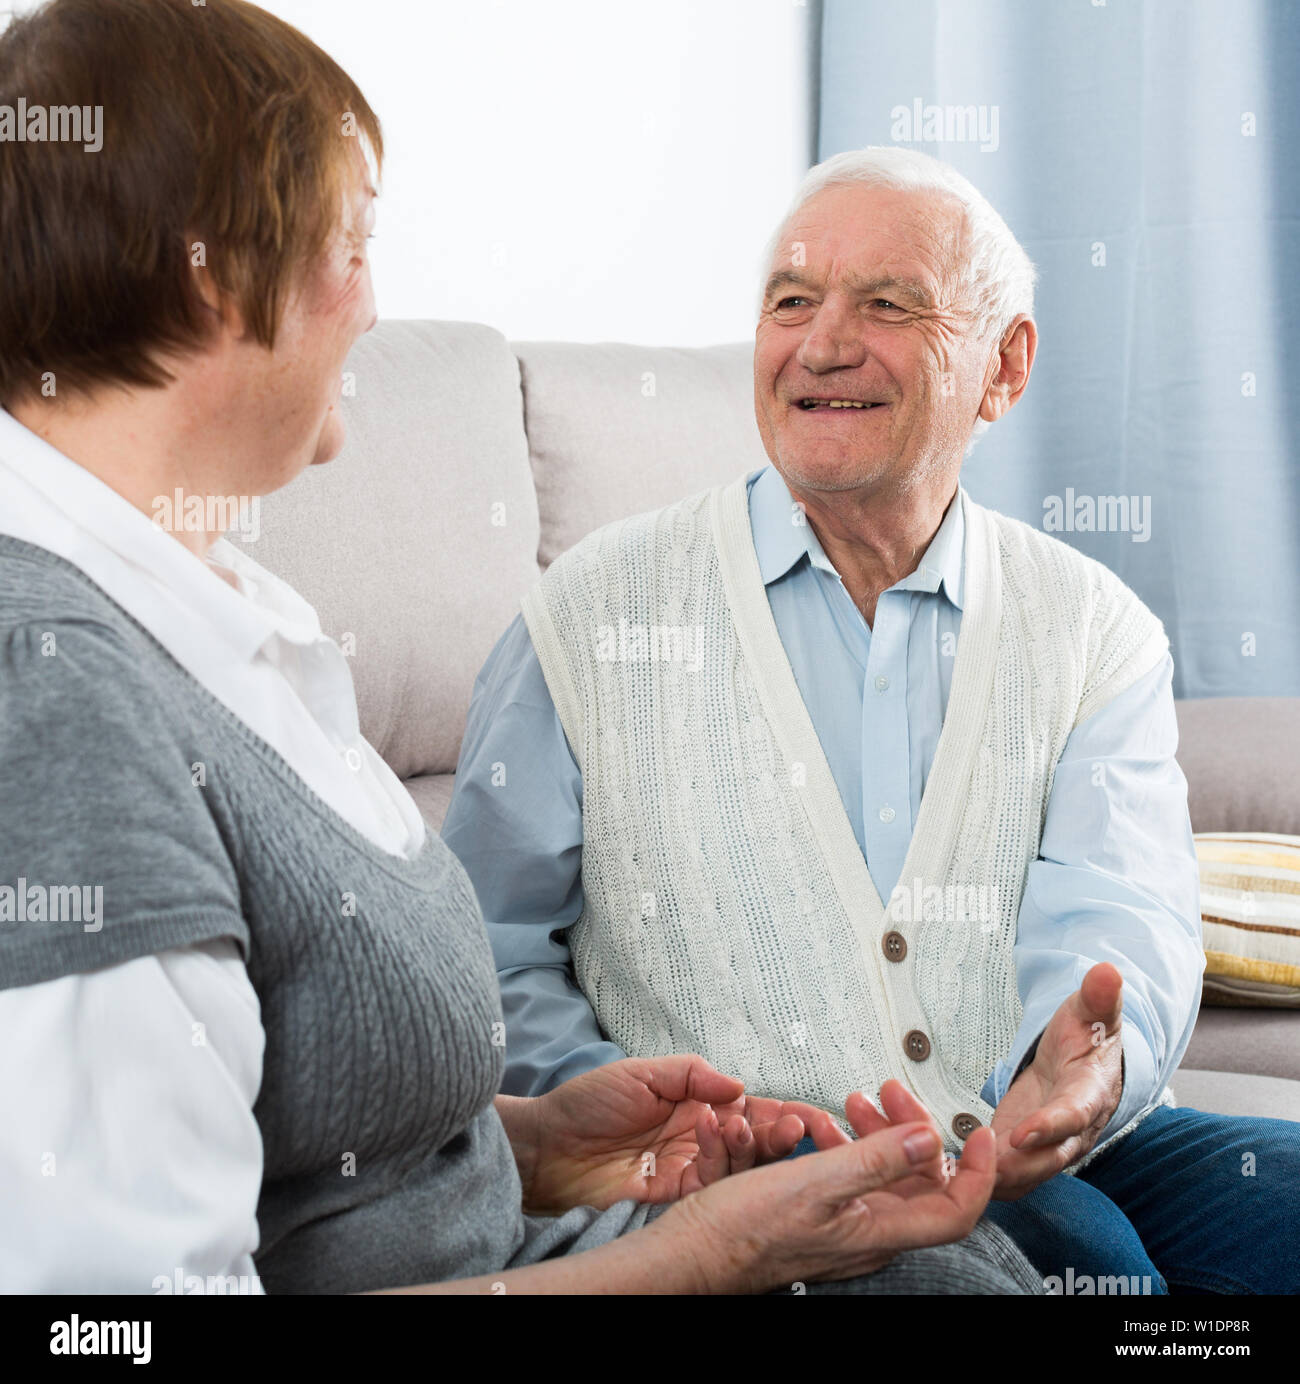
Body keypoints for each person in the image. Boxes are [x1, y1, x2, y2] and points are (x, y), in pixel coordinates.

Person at [0, 0, 1040, 1296]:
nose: (373, 308)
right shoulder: (56, 709)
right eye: (352, 244)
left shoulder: (212, 606)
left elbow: (309, 1144)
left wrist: (536, 1145)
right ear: (213, 275)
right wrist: (710, 1255)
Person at [443, 145, 1300, 1293]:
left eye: (887, 305)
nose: (822, 342)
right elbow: (485, 955)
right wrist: (663, 1137)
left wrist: (1087, 1066)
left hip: (1046, 1145)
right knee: (1092, 1270)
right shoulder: (591, 616)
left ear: (1004, 367)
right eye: (790, 302)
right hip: (745, 1176)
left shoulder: (1095, 630)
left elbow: (1121, 915)